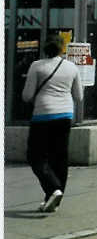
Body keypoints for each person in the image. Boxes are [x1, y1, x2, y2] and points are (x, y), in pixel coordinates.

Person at [22, 37, 83, 212]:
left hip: (42, 116)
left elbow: (26, 96)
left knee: (36, 156)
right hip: (64, 116)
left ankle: (52, 188)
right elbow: (79, 96)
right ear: (62, 49)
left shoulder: (37, 66)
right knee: (60, 157)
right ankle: (54, 198)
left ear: (44, 48)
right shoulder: (72, 67)